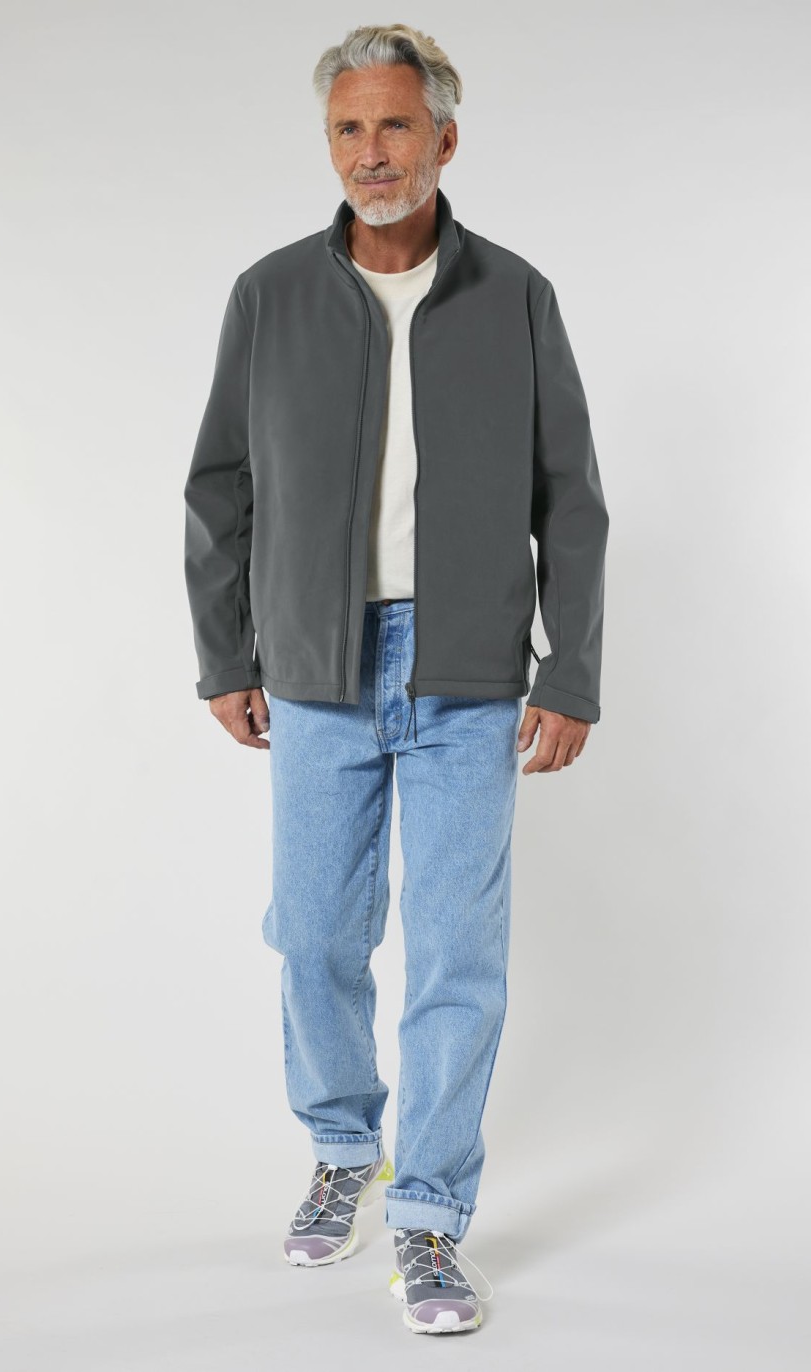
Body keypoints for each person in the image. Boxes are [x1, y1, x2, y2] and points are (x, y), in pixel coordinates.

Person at [183, 23, 609, 1336]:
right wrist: (226, 653)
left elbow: (570, 496)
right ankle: (341, 1147)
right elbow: (219, 486)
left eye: (396, 126)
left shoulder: (516, 294)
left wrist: (572, 670)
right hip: (315, 662)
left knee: (455, 955)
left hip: (467, 668)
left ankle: (426, 1217)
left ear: (445, 140)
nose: (372, 152)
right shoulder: (269, 296)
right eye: (349, 129)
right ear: (332, 144)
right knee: (315, 933)